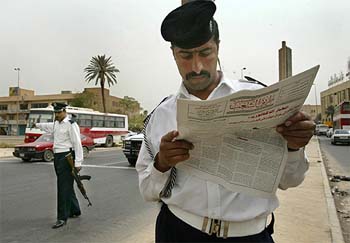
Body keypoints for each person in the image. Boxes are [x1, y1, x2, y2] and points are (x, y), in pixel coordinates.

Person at [136, 1, 315, 242]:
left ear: (218, 48)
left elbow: (290, 181)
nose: (197, 66)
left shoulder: (261, 101)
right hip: (179, 232)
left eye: (205, 53)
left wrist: (294, 147)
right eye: (186, 56)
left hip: (250, 236)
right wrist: (162, 162)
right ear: (173, 54)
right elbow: (147, 191)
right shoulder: (161, 115)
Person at [34, 102, 83, 229]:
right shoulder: (56, 123)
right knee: (66, 185)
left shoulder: (71, 124)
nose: (56, 114)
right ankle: (75, 209)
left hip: (67, 157)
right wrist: (37, 124)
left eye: (58, 112)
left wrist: (78, 162)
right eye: (55, 112)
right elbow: (49, 127)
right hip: (58, 157)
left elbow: (77, 143)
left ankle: (62, 218)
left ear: (64, 111)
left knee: (63, 187)